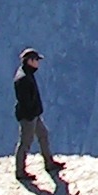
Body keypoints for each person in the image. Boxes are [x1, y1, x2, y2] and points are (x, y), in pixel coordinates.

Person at [14, 48, 63, 180]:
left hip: (33, 115)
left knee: (43, 135)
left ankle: (49, 163)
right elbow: (25, 101)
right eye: (36, 60)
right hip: (28, 117)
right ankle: (20, 172)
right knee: (25, 142)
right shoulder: (23, 78)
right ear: (29, 61)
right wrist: (31, 114)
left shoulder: (27, 73)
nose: (38, 63)